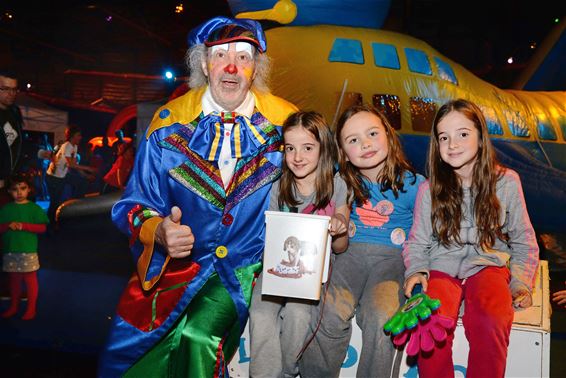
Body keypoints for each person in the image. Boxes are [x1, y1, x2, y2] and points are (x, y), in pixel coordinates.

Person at [98, 16, 298, 377]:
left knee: (196, 336)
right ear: (204, 64)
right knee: (125, 347)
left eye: (244, 56)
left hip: (246, 266)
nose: (233, 66)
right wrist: (158, 230)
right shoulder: (168, 123)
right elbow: (133, 204)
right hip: (175, 270)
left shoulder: (285, 124)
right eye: (221, 55)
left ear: (256, 69)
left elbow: (315, 187)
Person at [402, 99, 539, 378]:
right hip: (441, 267)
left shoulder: (507, 182)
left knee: (491, 318)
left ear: (480, 136)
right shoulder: (430, 189)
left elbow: (524, 240)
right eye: (444, 137)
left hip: (488, 265)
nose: (452, 144)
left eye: (462, 134)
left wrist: (520, 282)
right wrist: (416, 271)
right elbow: (417, 241)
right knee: (429, 322)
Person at [300, 104, 425, 378]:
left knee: (382, 318)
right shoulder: (340, 180)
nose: (365, 144)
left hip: (392, 262)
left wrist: (424, 271)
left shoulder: (416, 185)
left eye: (372, 134)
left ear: (389, 137)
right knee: (327, 312)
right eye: (353, 140)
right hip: (348, 257)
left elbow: (428, 234)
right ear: (343, 152)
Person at [249, 111, 350, 378]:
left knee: (297, 315)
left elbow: (340, 247)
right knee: (259, 312)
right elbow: (270, 239)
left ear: (323, 148)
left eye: (307, 148)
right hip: (277, 269)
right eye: (290, 148)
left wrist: (339, 225)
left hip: (311, 274)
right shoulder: (279, 186)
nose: (297, 157)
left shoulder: (336, 185)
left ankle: (286, 371)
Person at [0, 174, 49, 320]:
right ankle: (14, 306)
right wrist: (8, 225)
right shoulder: (6, 209)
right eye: (15, 189)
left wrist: (24, 226)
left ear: (29, 190)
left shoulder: (34, 209)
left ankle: (31, 308)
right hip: (10, 249)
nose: (19, 192)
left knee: (29, 278)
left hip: (28, 250)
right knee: (14, 279)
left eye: (23, 188)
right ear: (9, 191)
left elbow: (42, 228)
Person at [45, 124, 96, 224]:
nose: (80, 137)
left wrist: (86, 175)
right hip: (53, 177)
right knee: (55, 203)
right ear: (72, 136)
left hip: (62, 175)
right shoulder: (67, 146)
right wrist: (88, 168)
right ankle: (50, 224)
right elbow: (71, 165)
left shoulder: (74, 147)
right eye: (78, 135)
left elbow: (75, 165)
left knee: (81, 182)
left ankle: (74, 206)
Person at [0, 70, 23, 206]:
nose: (11, 93)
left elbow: (16, 143)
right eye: (6, 89)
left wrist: (40, 153)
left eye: (14, 89)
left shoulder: (14, 112)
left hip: (10, 181)